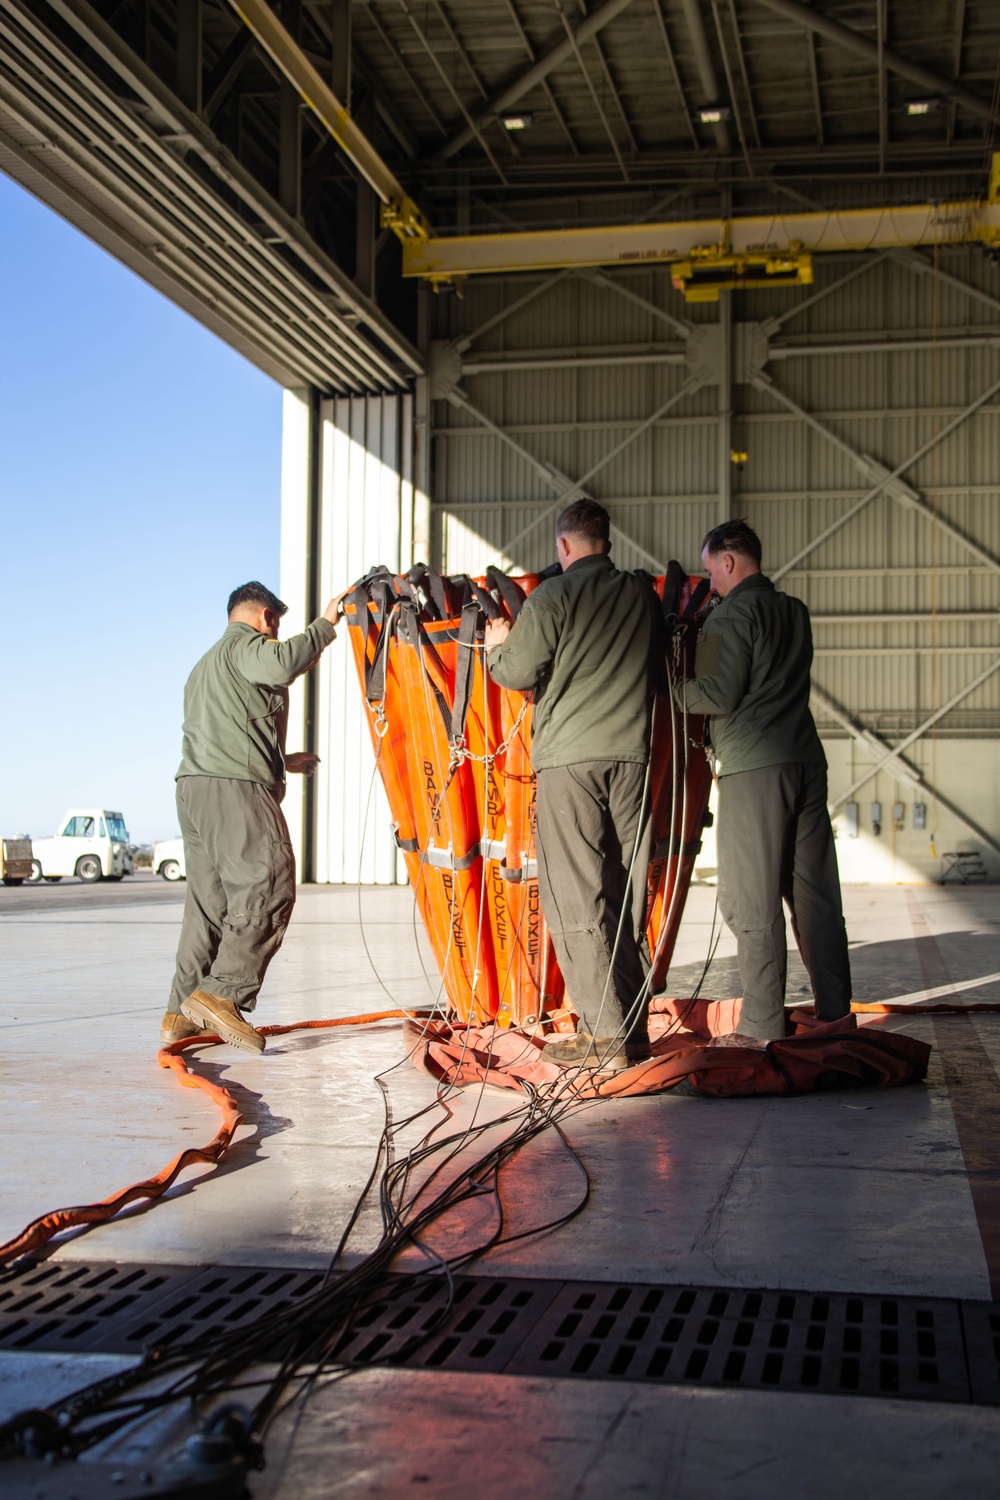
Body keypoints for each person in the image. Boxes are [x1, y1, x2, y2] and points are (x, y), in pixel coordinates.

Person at [484, 499, 661, 1069]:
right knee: (624, 891)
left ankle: (605, 1037)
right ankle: (630, 1029)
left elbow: (517, 673)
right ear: (606, 540)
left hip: (571, 763)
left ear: (564, 546)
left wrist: (497, 646)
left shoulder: (553, 597)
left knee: (575, 896)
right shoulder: (640, 595)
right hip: (633, 758)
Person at [675, 520, 852, 1046]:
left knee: (749, 899)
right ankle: (835, 1013)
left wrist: (667, 690)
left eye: (711, 572)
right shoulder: (793, 612)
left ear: (728, 562)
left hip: (755, 769)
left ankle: (760, 1024)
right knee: (815, 895)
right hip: (805, 761)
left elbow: (719, 694)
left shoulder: (733, 615)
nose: (711, 583)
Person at [160, 581, 349, 1052]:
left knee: (209, 906)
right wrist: (326, 625)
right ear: (265, 616)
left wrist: (285, 760)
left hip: (195, 790)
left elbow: (237, 725)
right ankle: (224, 994)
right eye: (275, 626)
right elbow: (283, 662)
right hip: (232, 787)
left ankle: (179, 1014)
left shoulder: (204, 667)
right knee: (271, 877)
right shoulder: (249, 645)